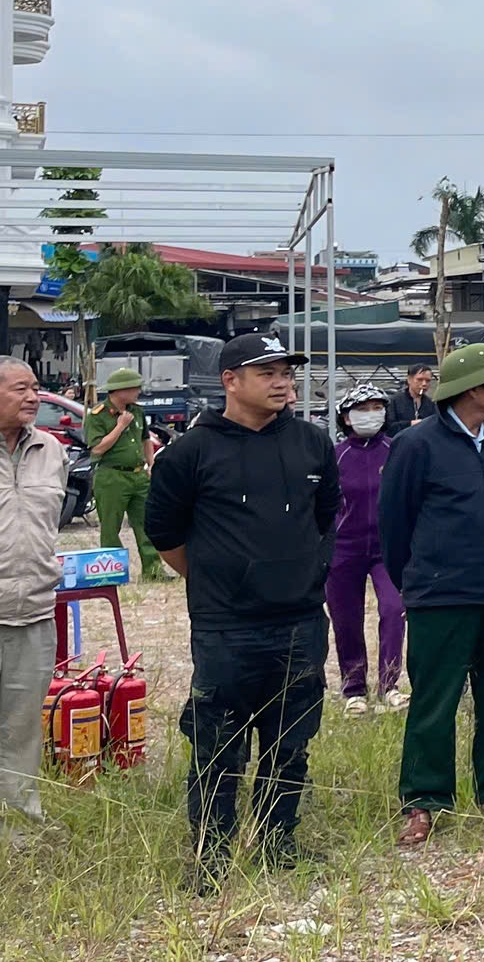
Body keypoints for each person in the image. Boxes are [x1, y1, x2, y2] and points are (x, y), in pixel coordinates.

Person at [146, 335, 340, 889]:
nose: (282, 382)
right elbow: (165, 535)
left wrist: (302, 574)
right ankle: (211, 857)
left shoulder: (311, 442)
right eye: (267, 373)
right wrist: (220, 578)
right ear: (230, 381)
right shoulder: (191, 452)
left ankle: (279, 844)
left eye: (287, 372)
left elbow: (326, 517)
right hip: (226, 627)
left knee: (291, 742)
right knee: (217, 746)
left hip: (300, 621)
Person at [384, 342, 484, 848]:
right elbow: (394, 524)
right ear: (471, 390)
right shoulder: (416, 444)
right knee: (435, 699)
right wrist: (416, 580)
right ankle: (424, 800)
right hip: (440, 594)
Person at [0, 361, 67, 836]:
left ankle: (19, 827)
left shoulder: (51, 450)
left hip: (34, 614)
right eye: (21, 388)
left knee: (21, 729)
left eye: (36, 388)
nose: (33, 397)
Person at [326, 385, 406, 716]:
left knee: (394, 609)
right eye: (363, 408)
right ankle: (354, 688)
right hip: (344, 547)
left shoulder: (395, 450)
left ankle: (390, 685)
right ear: (346, 417)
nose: (371, 414)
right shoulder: (335, 455)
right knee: (346, 618)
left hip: (388, 548)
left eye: (377, 407)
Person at [86, 367, 168, 580]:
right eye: (134, 388)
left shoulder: (137, 411)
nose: (138, 392)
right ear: (120, 390)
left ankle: (153, 571)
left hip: (138, 475)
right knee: (110, 527)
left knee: (146, 524)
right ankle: (112, 573)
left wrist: (151, 464)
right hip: (112, 477)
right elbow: (97, 448)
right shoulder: (98, 415)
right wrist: (120, 426)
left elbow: (145, 439)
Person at [386, 364, 434, 430]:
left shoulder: (431, 404)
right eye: (420, 379)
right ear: (409, 380)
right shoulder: (394, 401)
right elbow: (389, 427)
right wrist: (410, 424)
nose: (424, 384)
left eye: (428, 381)